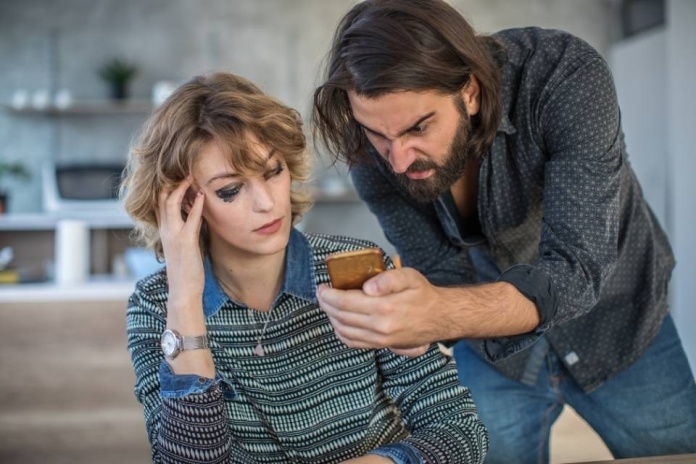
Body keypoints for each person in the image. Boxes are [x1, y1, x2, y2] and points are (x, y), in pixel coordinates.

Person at [311, 1, 696, 463]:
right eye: (378, 134)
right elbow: (440, 270)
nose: (397, 160)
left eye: (419, 127)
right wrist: (411, 318)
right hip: (496, 355)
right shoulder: (372, 156)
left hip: (620, 324)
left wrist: (440, 313)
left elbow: (576, 269)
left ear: (469, 92)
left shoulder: (562, 75)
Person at [120, 71, 488, 464]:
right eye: (231, 190)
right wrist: (186, 302)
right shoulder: (157, 307)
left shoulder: (356, 269)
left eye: (273, 171)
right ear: (184, 206)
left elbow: (460, 431)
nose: (266, 203)